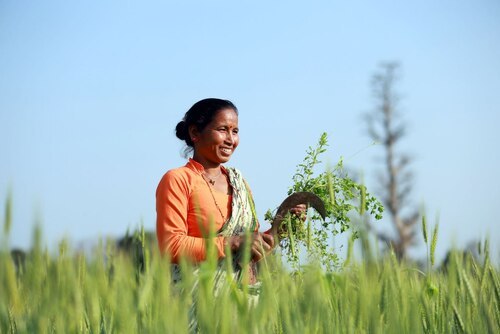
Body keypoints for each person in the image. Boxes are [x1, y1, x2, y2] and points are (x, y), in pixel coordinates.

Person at [156, 98, 304, 285]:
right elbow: (171, 247)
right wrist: (233, 242)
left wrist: (279, 231)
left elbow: (248, 255)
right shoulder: (178, 179)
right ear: (195, 132)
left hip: (242, 303)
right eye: (222, 129)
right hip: (198, 302)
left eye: (235, 131)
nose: (231, 140)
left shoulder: (239, 183)